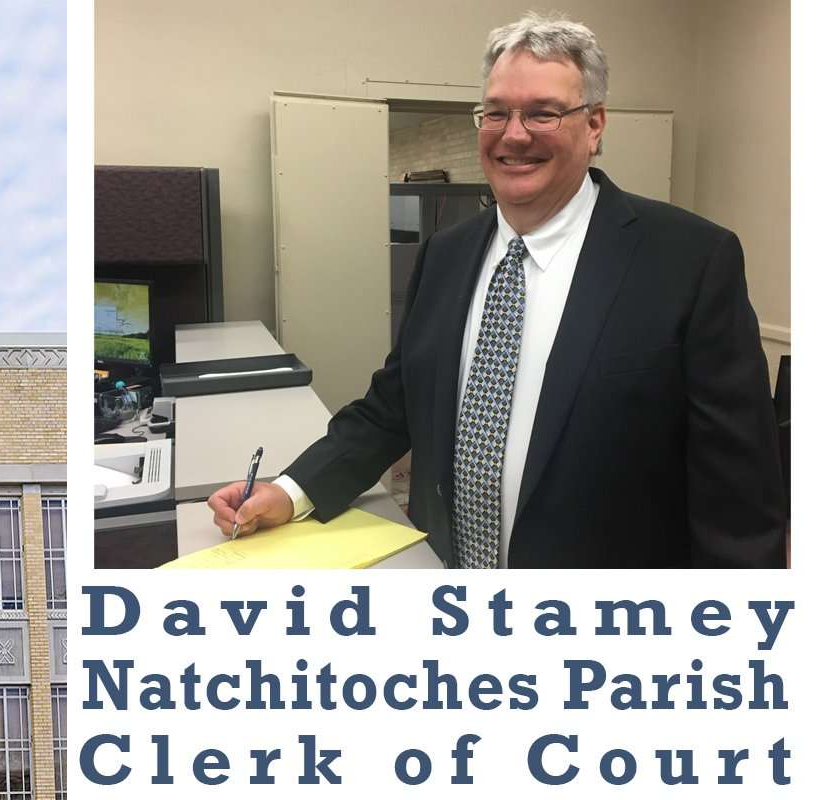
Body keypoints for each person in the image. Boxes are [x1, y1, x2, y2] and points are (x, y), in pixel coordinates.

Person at [208, 12, 786, 568]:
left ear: (595, 126)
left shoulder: (688, 259)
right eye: (496, 113)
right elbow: (395, 406)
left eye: (543, 114)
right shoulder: (447, 253)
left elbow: (736, 494)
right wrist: (291, 491)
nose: (514, 135)